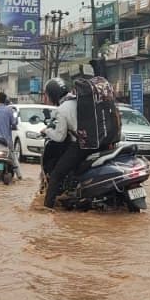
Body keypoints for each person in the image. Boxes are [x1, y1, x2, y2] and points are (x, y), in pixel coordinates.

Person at [40, 77, 95, 209]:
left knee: (56, 175)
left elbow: (59, 137)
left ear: (53, 94)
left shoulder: (62, 109)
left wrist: (47, 131)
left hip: (82, 146)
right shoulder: (79, 101)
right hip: (99, 143)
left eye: (47, 95)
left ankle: (47, 208)